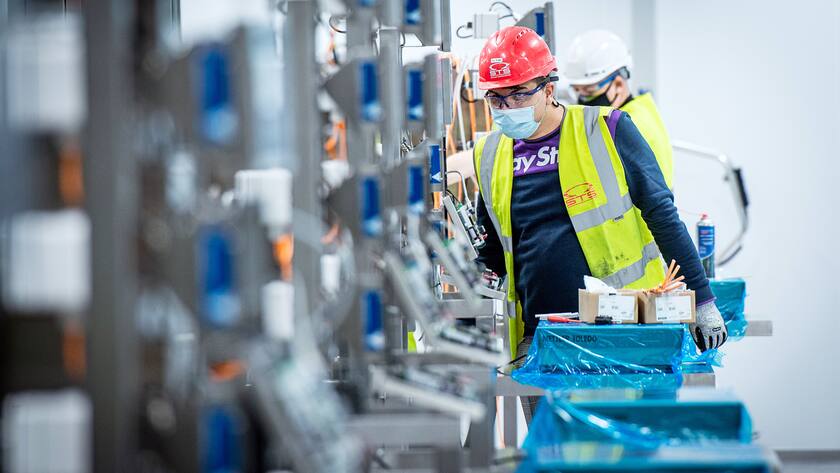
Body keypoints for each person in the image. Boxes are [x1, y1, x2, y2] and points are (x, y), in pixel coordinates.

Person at [472, 26, 727, 422]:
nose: (508, 107)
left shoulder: (608, 129)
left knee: (632, 451)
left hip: (625, 332)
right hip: (542, 343)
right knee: (557, 454)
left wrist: (704, 300)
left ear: (549, 88)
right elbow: (491, 251)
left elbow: (663, 215)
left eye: (520, 94)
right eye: (497, 98)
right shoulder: (488, 154)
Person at [565, 29, 674, 188]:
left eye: (589, 92)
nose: (582, 99)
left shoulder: (628, 125)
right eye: (577, 90)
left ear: (618, 84)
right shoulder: (640, 109)